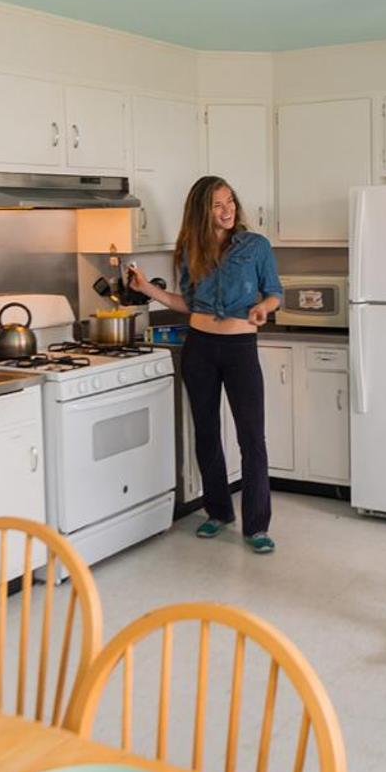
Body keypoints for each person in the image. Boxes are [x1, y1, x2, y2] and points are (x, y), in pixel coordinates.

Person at [128, 176, 283, 554]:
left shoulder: (255, 245)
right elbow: (189, 303)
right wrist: (147, 289)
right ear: (202, 211)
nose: (227, 210)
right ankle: (218, 511)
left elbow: (274, 292)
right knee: (206, 432)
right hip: (199, 348)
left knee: (252, 437)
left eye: (230, 201)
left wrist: (264, 308)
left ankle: (257, 526)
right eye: (217, 205)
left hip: (240, 348)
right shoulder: (189, 250)